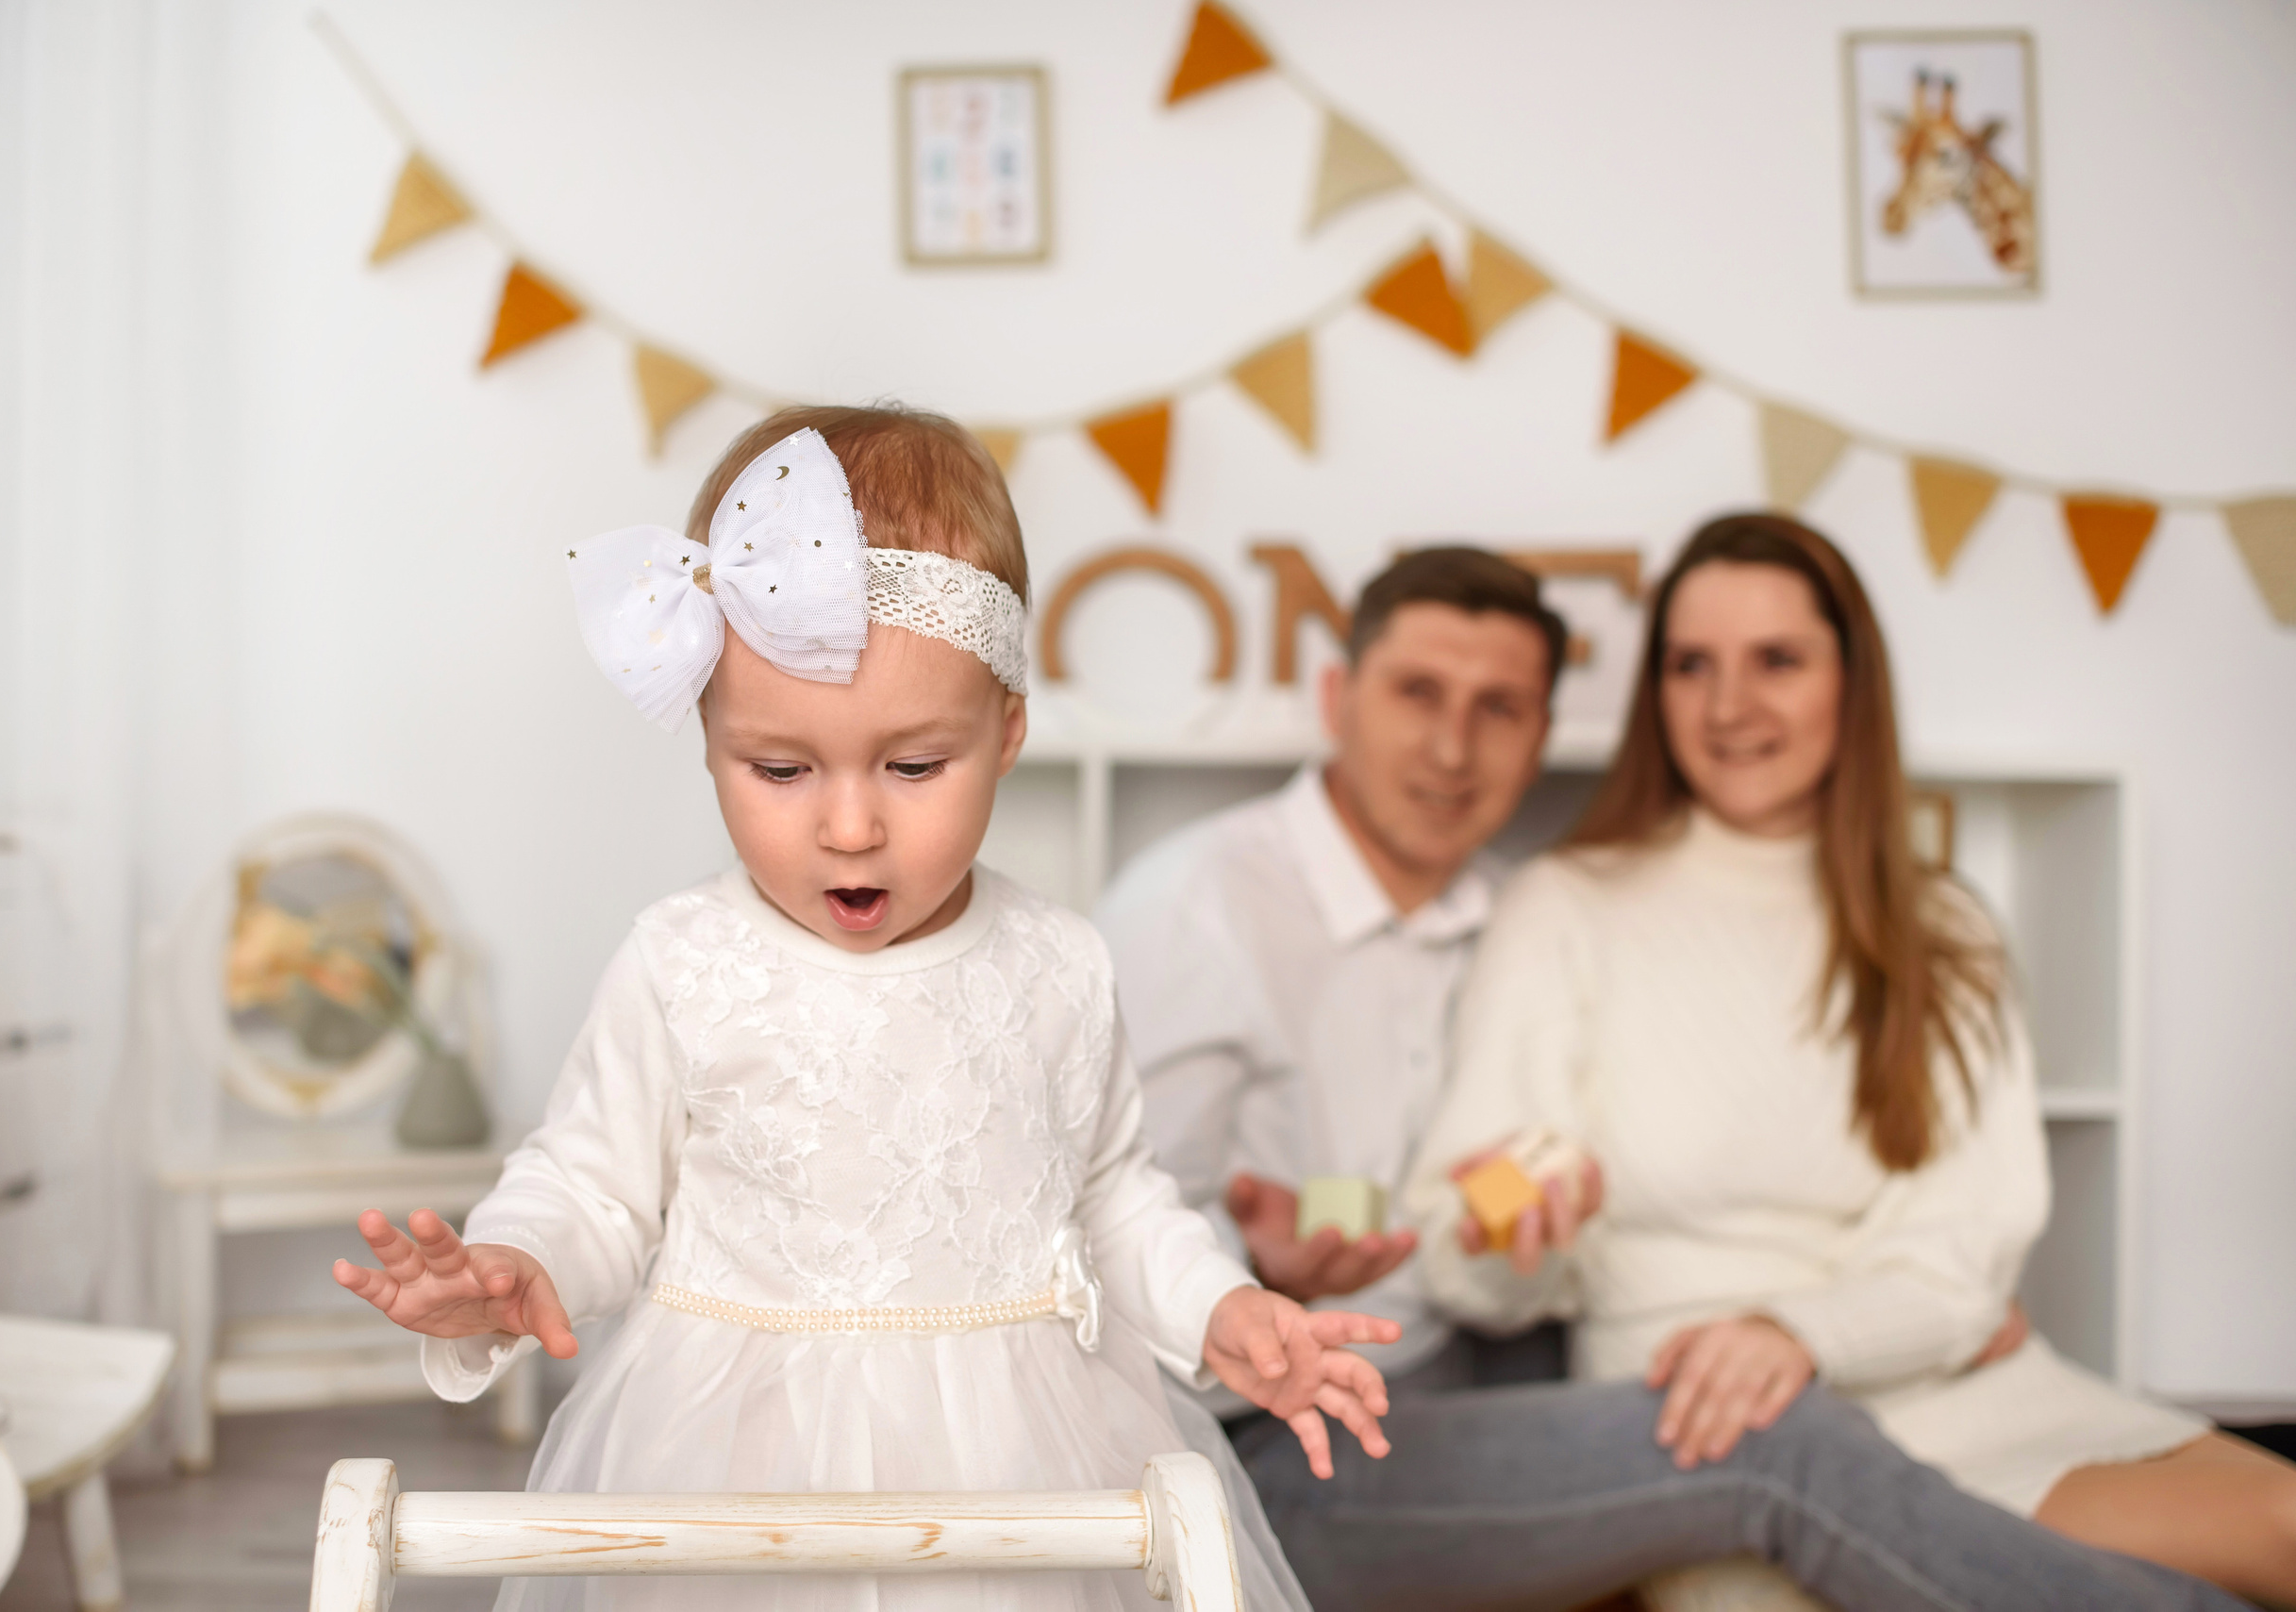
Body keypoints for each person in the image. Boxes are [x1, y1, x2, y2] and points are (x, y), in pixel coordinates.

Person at [329, 406, 1403, 1612]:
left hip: (1016, 1462)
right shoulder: (686, 960)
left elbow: (1109, 1196)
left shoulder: (1057, 964)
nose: (850, 824)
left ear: (1006, 732)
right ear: (708, 738)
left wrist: (1222, 1308)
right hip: (737, 1462)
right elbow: (592, 1176)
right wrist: (515, 1258)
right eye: (780, 769)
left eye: (912, 766)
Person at [1101, 543, 2251, 1611]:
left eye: (1498, 708)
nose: (1452, 749)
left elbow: (1481, 1241)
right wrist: (1256, 1273)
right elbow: (1103, 1231)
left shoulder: (1498, 901)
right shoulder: (1200, 912)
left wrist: (1917, 1313)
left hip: (1457, 1391)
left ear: (1547, 726)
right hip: (1269, 1432)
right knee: (1776, 1439)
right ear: (1334, 696)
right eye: (1415, 694)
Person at [1408, 512, 2296, 1609]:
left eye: (1775, 660)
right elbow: (1464, 1247)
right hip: (1713, 1423)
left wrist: (1803, 1329)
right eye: (1693, 665)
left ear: (1851, 682)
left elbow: (1969, 1245)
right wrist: (1513, 1238)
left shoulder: (1942, 924)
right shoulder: (1568, 905)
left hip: (1958, 1387)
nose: (1730, 706)